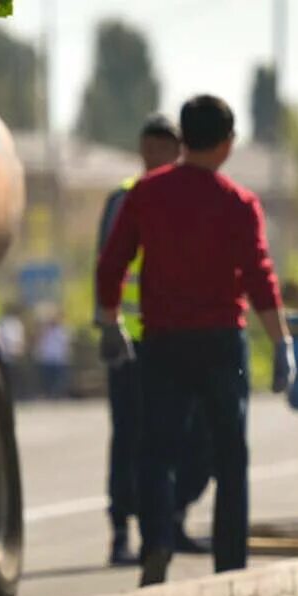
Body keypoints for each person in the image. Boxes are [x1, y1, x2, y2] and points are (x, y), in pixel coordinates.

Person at [95, 95, 294, 585]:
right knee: (230, 455)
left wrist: (110, 321)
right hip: (222, 345)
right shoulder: (238, 203)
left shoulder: (145, 194)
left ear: (182, 140)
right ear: (227, 145)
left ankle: (156, 543)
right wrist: (282, 344)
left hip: (162, 343)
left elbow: (112, 262)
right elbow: (259, 277)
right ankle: (229, 566)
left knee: (156, 450)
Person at [94, 115, 211, 566]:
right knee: (131, 437)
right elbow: (107, 266)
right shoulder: (125, 198)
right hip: (131, 341)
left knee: (192, 436)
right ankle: (123, 531)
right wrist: (108, 326)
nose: (156, 157)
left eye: (166, 149)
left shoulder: (192, 196)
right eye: (150, 148)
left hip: (180, 338)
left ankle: (171, 519)